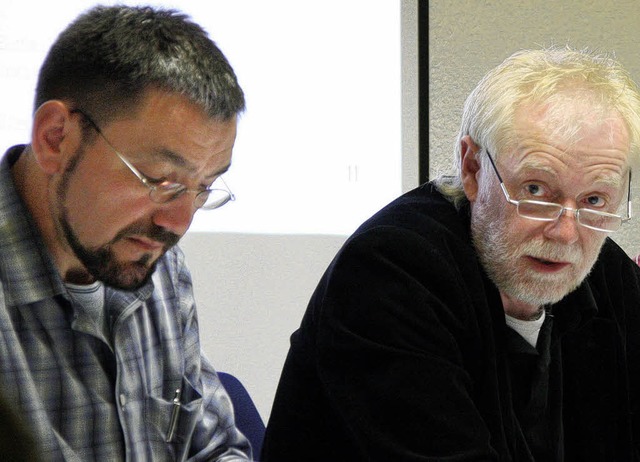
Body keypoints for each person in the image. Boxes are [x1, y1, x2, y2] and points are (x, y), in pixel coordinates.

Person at [262, 46, 640, 461]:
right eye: (535, 190)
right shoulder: (390, 272)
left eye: (595, 199)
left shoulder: (609, 279)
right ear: (472, 168)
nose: (567, 232)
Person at [0, 5, 252, 460]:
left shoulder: (158, 266)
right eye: (161, 181)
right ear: (56, 138)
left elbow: (211, 447)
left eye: (204, 188)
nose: (178, 223)